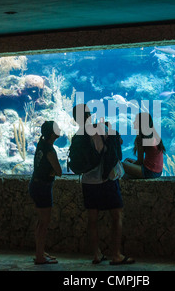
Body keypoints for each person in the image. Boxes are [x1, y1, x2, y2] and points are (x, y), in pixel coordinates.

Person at [72, 104, 135, 265]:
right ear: (89, 115)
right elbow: (118, 142)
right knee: (116, 215)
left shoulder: (77, 136)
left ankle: (96, 254)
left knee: (92, 219)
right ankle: (116, 255)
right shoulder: (99, 128)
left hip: (88, 182)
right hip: (107, 179)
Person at [29, 120, 62, 265]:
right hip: (43, 188)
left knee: (40, 222)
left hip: (35, 185)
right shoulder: (50, 150)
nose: (59, 129)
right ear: (52, 133)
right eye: (57, 128)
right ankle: (40, 257)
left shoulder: (41, 144)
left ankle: (39, 251)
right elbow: (59, 171)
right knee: (44, 222)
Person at [122, 112, 165, 179]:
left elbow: (139, 162)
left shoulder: (141, 138)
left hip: (149, 172)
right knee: (127, 160)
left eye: (136, 120)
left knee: (122, 165)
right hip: (158, 172)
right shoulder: (154, 135)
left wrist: (130, 167)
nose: (133, 122)